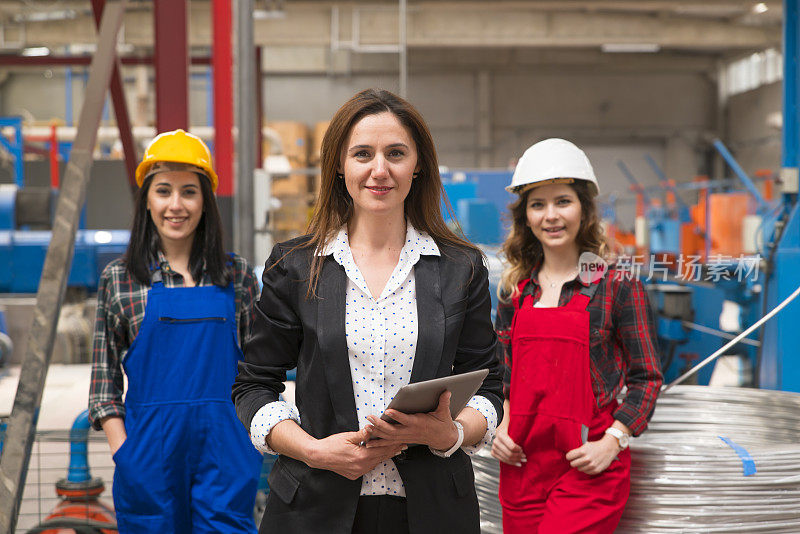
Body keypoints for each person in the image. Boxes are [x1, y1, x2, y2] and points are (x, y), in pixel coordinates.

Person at [232, 88, 504, 534]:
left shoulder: (461, 268)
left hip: (432, 512)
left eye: (395, 153)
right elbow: (253, 387)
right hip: (315, 508)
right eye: (362, 154)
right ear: (340, 166)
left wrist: (450, 435)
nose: (380, 170)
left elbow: (488, 382)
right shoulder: (296, 266)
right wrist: (313, 451)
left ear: (418, 166)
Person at [88, 129, 262, 533]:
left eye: (189, 192)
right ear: (147, 200)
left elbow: (261, 374)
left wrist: (248, 443)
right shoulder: (120, 279)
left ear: (205, 202)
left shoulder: (237, 277)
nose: (175, 205)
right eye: (163, 191)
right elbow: (103, 387)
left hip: (226, 452)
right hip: (149, 456)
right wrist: (125, 454)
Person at [490, 138, 662, 533]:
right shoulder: (514, 291)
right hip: (522, 464)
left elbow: (646, 378)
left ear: (584, 210)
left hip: (587, 464)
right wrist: (501, 425)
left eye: (562, 201)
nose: (551, 216)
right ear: (526, 217)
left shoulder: (617, 286)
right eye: (538, 204)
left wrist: (614, 441)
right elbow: (501, 377)